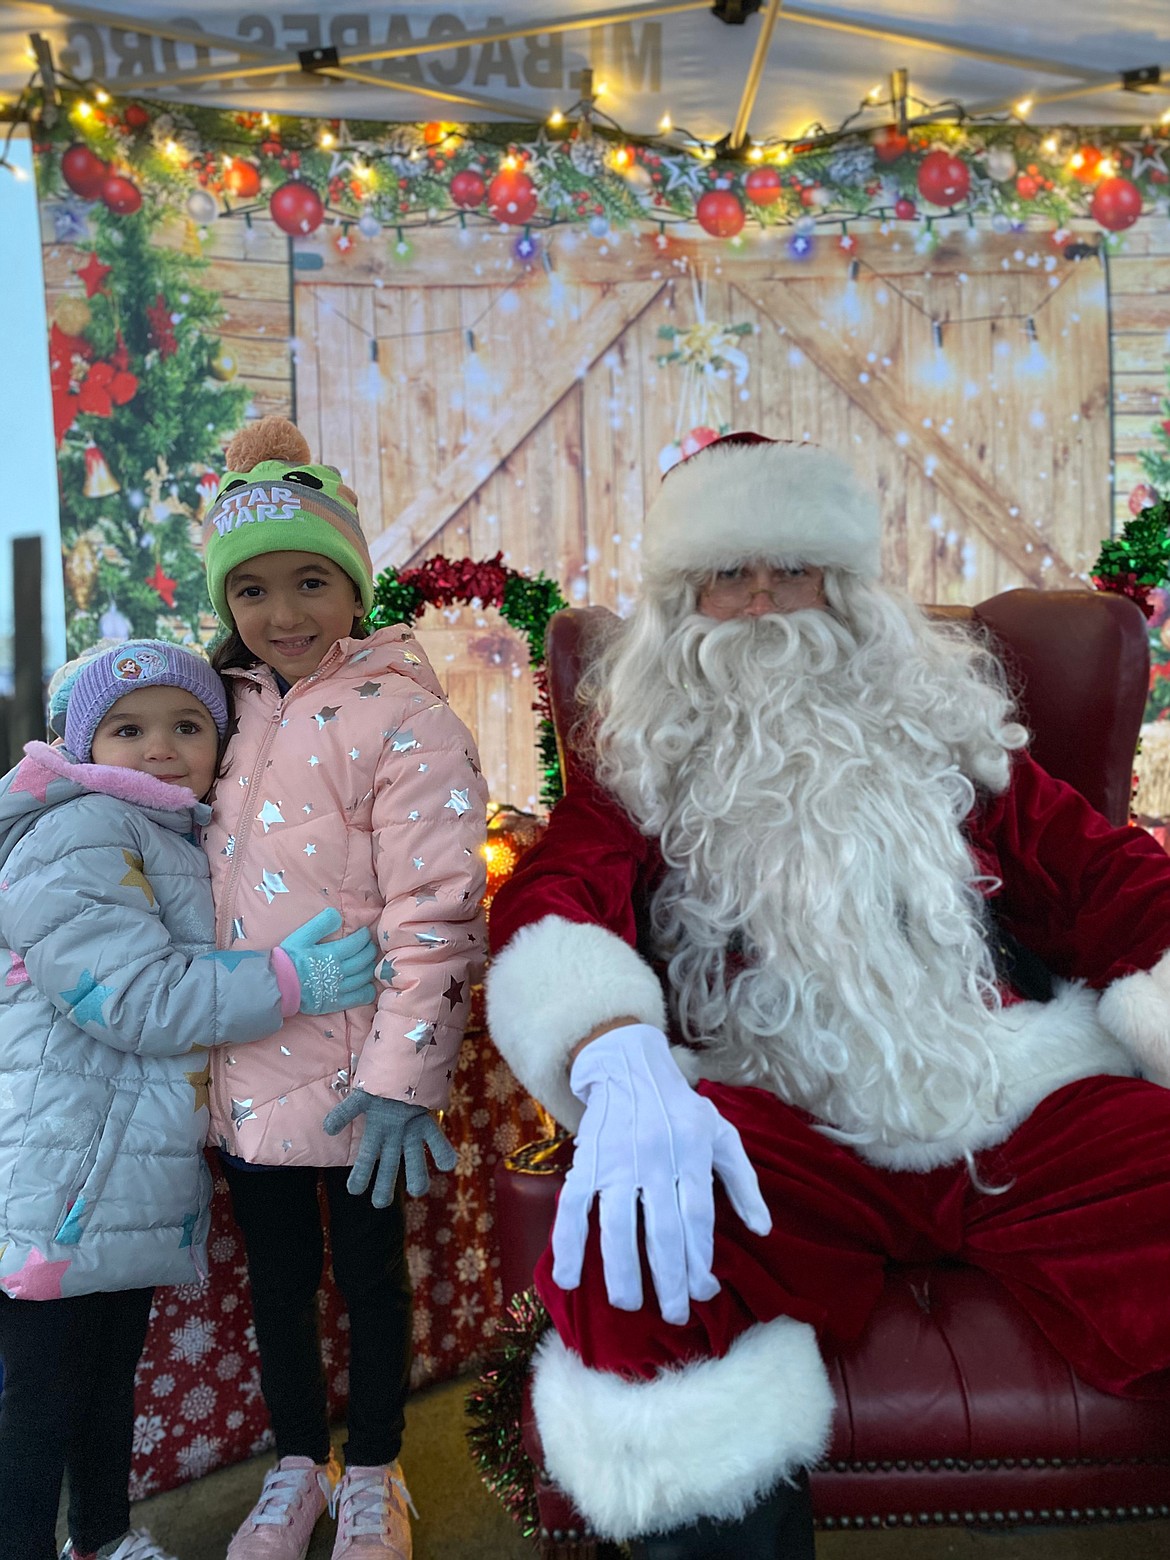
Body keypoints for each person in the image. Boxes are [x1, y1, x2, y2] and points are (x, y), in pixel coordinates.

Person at [486, 434, 1170, 1559]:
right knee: (636, 1241)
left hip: (1000, 1093)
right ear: (681, 603)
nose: (761, 603)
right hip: (778, 1121)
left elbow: (1108, 882)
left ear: (845, 590)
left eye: (791, 569)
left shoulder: (950, 744)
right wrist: (610, 1045)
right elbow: (561, 894)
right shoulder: (643, 765)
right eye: (729, 574)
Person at [0, 639, 376, 1560]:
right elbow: (131, 995)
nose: (160, 746)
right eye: (128, 728)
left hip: (113, 1167)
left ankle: (100, 1538)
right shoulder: (82, 829)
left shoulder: (160, 832)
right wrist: (290, 981)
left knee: (105, 1378)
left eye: (186, 725)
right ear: (82, 741)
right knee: (44, 1395)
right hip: (63, 1173)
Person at [199, 417, 488, 1560]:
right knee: (275, 1285)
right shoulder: (213, 712)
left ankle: (375, 1469)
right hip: (242, 1070)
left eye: (312, 580)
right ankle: (293, 1467)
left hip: (361, 1082)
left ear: (353, 584)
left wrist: (404, 1076)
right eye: (255, 589)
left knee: (369, 1283)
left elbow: (439, 909)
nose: (283, 613)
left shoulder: (404, 715)